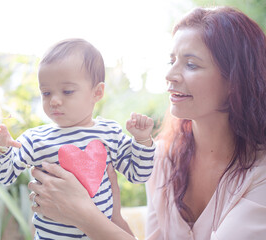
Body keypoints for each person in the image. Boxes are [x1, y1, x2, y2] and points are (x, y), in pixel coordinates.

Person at [27, 6, 266, 240]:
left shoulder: (260, 175)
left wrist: (85, 216)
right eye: (171, 61)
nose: (170, 74)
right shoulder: (162, 157)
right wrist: (113, 217)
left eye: (191, 64)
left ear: (235, 79)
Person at [0, 38, 155, 239]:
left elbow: (138, 174)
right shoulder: (37, 139)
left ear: (97, 92)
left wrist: (142, 141)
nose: (54, 100)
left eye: (67, 91)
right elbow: (5, 175)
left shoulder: (110, 133)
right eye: (46, 93)